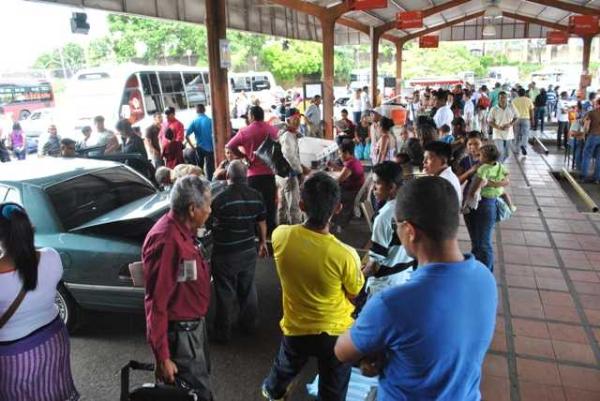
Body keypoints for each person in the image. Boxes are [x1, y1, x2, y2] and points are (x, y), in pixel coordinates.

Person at [334, 177, 497, 401]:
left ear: (410, 230)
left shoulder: (391, 304)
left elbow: (342, 351)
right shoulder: (484, 277)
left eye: (396, 225)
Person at [261, 172, 364, 401]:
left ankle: (273, 392)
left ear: (301, 204)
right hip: (335, 332)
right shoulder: (346, 255)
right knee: (334, 386)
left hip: (297, 327)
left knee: (285, 367)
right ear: (337, 208)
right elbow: (354, 292)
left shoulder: (280, 236)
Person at [142, 176, 213, 400]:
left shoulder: (184, 232)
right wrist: (163, 357)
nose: (210, 210)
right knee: (195, 393)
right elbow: (156, 303)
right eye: (208, 205)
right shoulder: (167, 241)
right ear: (192, 209)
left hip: (192, 328)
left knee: (199, 382)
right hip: (181, 335)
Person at [0, 203, 80, 401]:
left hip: (15, 353)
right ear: (29, 228)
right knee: (54, 392)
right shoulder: (51, 257)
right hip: (54, 339)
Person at [208, 161, 268, 343]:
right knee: (248, 288)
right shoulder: (256, 196)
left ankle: (223, 333)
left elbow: (209, 223)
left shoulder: (220, 199)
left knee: (225, 292)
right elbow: (261, 221)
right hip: (248, 249)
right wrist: (263, 242)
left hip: (225, 252)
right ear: (247, 175)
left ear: (228, 176)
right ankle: (249, 326)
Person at [362, 161, 414, 296]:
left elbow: (374, 266)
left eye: (377, 183)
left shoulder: (384, 217)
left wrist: (358, 276)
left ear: (391, 187)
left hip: (383, 285)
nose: (373, 188)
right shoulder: (412, 204)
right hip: (406, 278)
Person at [226, 105, 279, 234]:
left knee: (254, 204)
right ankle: (270, 232)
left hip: (253, 175)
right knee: (269, 204)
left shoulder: (245, 131)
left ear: (252, 116)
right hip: (269, 173)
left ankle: (256, 233)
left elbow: (230, 146)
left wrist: (244, 156)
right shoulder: (272, 130)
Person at [464, 144, 511, 271]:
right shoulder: (499, 166)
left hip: (482, 204)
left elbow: (475, 188)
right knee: (479, 241)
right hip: (489, 203)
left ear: (485, 157)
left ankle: (486, 272)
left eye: (480, 155)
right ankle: (479, 269)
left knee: (483, 242)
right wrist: (494, 184)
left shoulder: (483, 168)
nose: (477, 156)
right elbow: (507, 180)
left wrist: (468, 200)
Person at [279, 108, 310, 225]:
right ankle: (295, 231)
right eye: (295, 119)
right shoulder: (287, 135)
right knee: (294, 206)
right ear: (287, 120)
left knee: (283, 205)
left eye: (299, 118)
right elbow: (290, 156)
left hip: (282, 174)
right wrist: (300, 171)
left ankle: (282, 228)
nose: (298, 121)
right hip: (289, 175)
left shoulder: (290, 133)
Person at [329, 141, 365, 229]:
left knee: (328, 195)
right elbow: (345, 170)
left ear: (347, 153)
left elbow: (338, 180)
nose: (339, 156)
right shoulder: (354, 160)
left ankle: (333, 222)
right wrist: (334, 166)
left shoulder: (350, 163)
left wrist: (326, 177)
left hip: (350, 192)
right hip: (355, 189)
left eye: (340, 153)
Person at [423, 141, 462, 205]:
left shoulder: (443, 182)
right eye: (424, 158)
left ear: (443, 160)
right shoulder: (444, 176)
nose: (424, 161)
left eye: (428, 158)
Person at [186, 104, 215, 180]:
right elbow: (215, 134)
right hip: (210, 148)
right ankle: (210, 182)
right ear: (204, 110)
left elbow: (186, 135)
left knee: (200, 166)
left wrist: (192, 147)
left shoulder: (194, 121)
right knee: (210, 168)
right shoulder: (210, 121)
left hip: (199, 147)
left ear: (196, 111)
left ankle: (200, 181)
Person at [488, 91, 517, 162]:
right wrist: (498, 127)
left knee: (507, 154)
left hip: (509, 134)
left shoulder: (511, 107)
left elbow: (516, 117)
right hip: (498, 134)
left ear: (507, 98)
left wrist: (510, 124)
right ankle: (499, 167)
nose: (503, 99)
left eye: (504, 97)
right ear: (498, 99)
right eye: (501, 98)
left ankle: (500, 164)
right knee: (500, 152)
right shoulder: (494, 109)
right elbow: (489, 121)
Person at [581, 98, 600, 183]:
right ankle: (597, 178)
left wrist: (584, 134)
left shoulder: (592, 112)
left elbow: (584, 123)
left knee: (587, 155)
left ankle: (584, 177)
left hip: (593, 136)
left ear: (597, 103)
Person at [511, 87, 534, 156]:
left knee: (516, 134)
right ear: (525, 93)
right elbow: (531, 110)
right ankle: (524, 145)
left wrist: (511, 120)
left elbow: (511, 111)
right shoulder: (529, 100)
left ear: (518, 93)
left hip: (516, 119)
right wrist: (532, 119)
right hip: (526, 119)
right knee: (525, 134)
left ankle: (516, 149)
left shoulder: (514, 100)